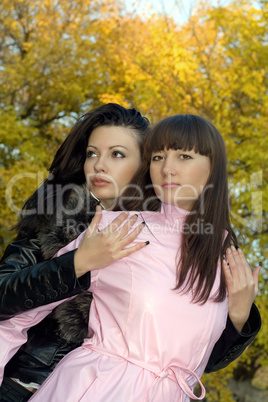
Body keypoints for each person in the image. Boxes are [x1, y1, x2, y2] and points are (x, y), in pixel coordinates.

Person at [0, 114, 261, 401]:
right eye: (159, 157)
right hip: (61, 386)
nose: (167, 169)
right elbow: (13, 315)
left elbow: (195, 357)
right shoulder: (116, 228)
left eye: (184, 156)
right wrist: (78, 263)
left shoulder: (223, 256)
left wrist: (238, 318)